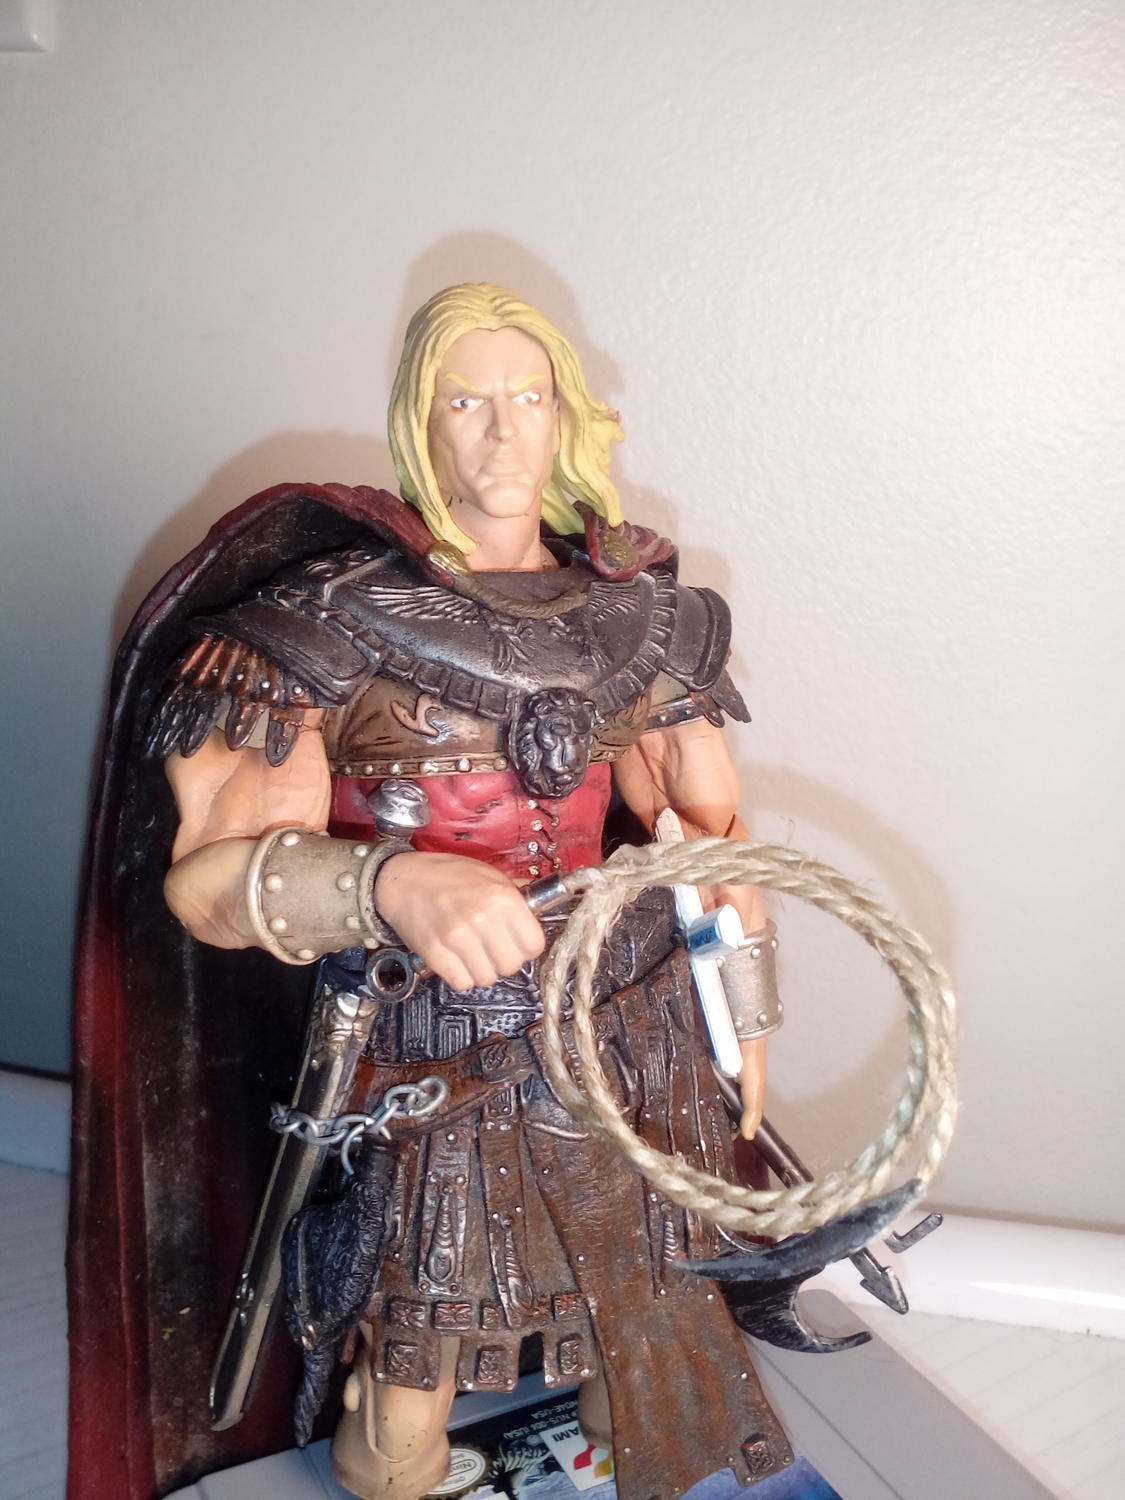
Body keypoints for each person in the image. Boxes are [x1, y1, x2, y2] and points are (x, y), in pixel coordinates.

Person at [70, 285, 790, 1500]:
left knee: (652, 1335)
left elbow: (714, 842)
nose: (503, 434)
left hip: (625, 1025)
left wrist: (742, 1020)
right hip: (436, 1042)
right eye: (467, 404)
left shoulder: (644, 624)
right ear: (420, 422)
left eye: (527, 398)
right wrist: (390, 882)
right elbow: (206, 886)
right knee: (409, 1404)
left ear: (566, 414)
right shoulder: (325, 624)